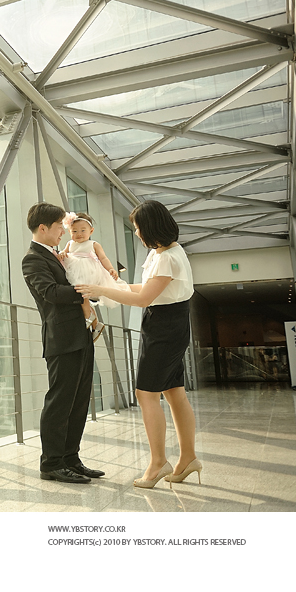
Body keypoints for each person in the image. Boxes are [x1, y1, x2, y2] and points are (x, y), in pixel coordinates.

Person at [76, 200, 202, 489]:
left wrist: (101, 290)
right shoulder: (165, 253)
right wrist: (109, 289)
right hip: (169, 323)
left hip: (164, 327)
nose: (135, 233)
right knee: (174, 392)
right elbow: (146, 289)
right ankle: (188, 459)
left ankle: (158, 463)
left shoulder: (167, 257)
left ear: (150, 227)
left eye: (137, 228)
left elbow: (144, 298)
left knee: (146, 393)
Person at [22, 202, 105, 484]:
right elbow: (51, 292)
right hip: (61, 338)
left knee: (79, 401)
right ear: (43, 228)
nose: (64, 231)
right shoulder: (32, 259)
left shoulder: (58, 255)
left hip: (81, 334)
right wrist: (87, 292)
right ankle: (52, 463)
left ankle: (71, 459)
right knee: (60, 401)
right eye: (60, 226)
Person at [60, 211, 131, 314]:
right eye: (74, 231)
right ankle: (86, 310)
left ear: (91, 231)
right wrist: (62, 253)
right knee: (77, 290)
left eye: (83, 230)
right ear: (69, 232)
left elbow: (103, 258)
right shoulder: (70, 243)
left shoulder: (93, 244)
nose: (79, 234)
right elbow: (64, 252)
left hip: (89, 271)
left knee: (84, 290)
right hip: (73, 269)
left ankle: (88, 311)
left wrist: (110, 268)